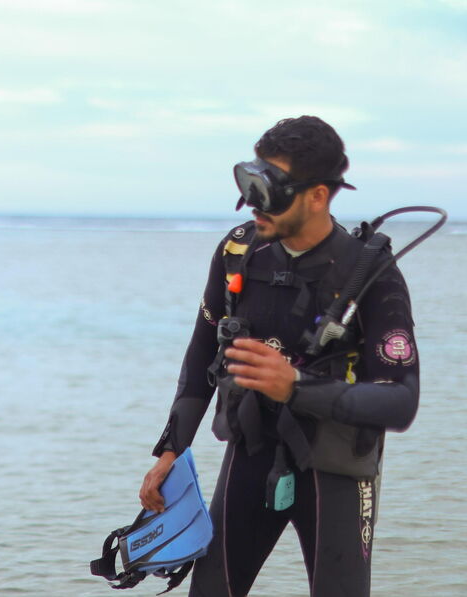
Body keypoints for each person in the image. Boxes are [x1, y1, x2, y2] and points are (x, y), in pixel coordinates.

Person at [138, 116, 419, 597]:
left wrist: (296, 387)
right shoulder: (238, 252)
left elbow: (401, 402)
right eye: (250, 182)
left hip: (336, 470)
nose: (253, 202)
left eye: (270, 188)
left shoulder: (371, 274)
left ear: (318, 195)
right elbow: (202, 354)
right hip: (250, 452)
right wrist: (171, 450)